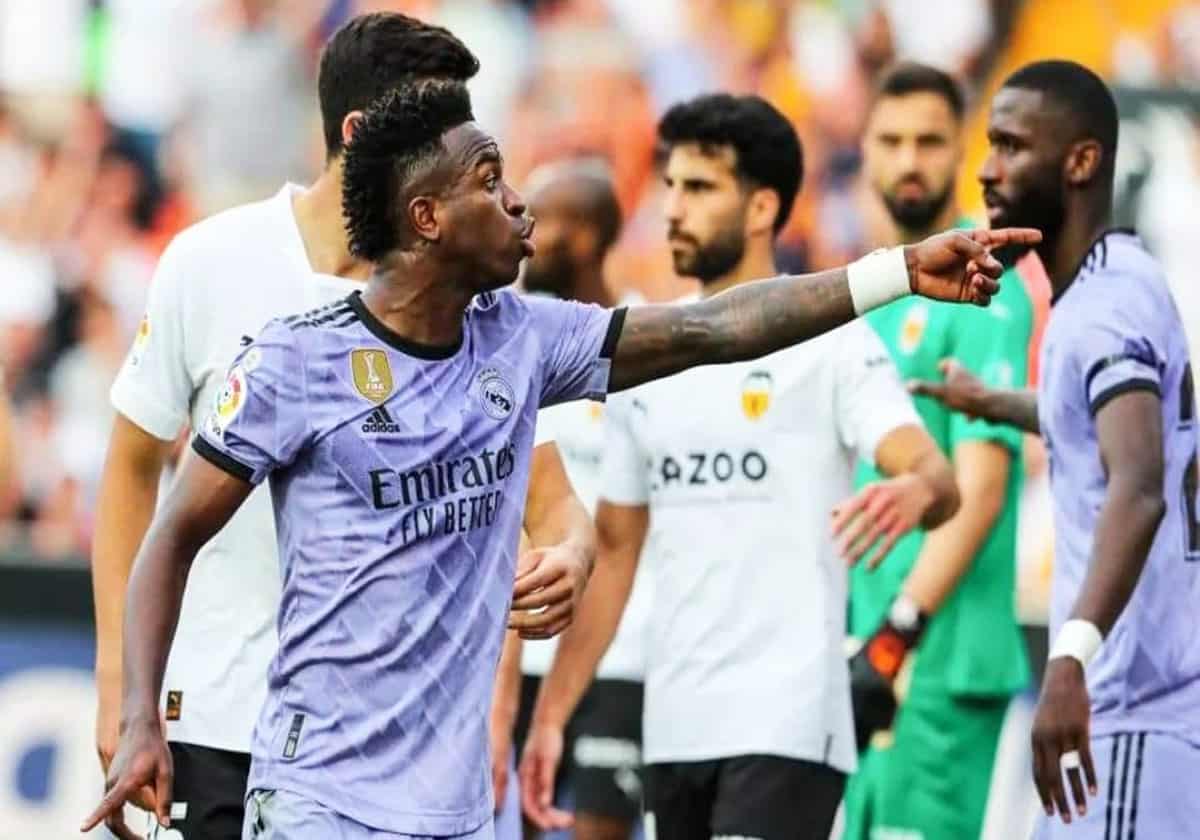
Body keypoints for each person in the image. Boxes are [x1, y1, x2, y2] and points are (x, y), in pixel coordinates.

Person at [85, 79, 1034, 839]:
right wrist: (137, 721)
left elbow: (713, 327)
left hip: (455, 811)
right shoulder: (296, 361)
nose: (518, 202)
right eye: (490, 180)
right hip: (317, 801)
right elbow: (171, 537)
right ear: (426, 217)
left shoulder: (521, 339)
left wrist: (896, 272)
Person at [89, 13, 590, 840]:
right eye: (437, 128)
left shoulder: (465, 303)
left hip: (381, 758)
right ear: (360, 135)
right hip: (212, 716)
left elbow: (554, 504)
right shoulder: (211, 263)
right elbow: (134, 466)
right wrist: (119, 681)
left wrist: (571, 553)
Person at [514, 92, 986, 840]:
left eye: (700, 188)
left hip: (788, 723)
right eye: (671, 186)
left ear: (763, 206)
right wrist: (552, 716)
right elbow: (615, 552)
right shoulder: (647, 358)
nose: (673, 209)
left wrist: (916, 490)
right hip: (674, 726)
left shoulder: (833, 342)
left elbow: (937, 477)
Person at [909, 60, 1200, 837]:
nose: (987, 168)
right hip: (1128, 714)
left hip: (1134, 713)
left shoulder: (1104, 308)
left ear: (1080, 161)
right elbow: (1113, 426)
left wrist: (1069, 659)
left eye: (1010, 145)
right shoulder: (1116, 281)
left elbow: (1140, 483)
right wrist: (996, 404)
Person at [840, 62, 1034, 840]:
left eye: (928, 141)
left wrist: (898, 632)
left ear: (962, 150)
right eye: (891, 141)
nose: (909, 160)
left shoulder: (981, 287)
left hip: (933, 656)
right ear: (865, 148)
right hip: (869, 646)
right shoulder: (868, 292)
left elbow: (980, 489)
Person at [507, 159, 653, 840]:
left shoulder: (647, 342)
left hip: (621, 652)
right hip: (524, 642)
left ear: (590, 236)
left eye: (547, 220)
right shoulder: (510, 343)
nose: (527, 233)